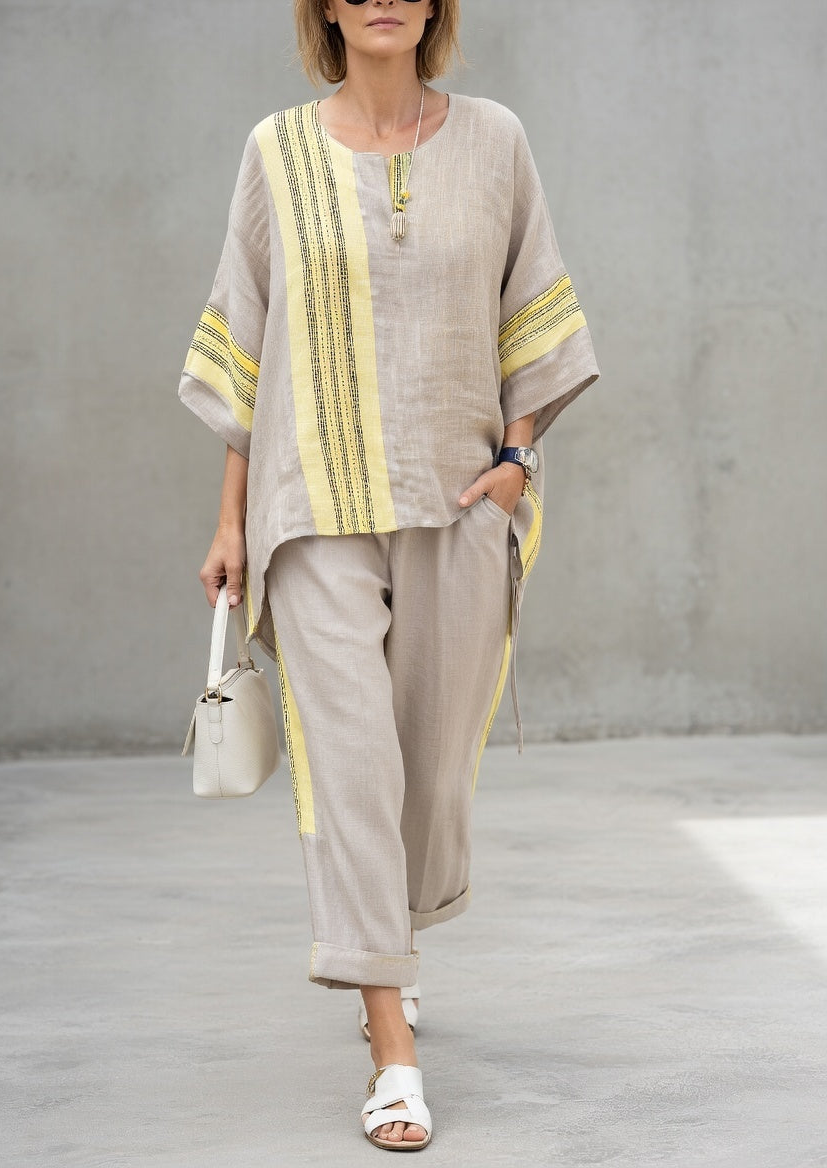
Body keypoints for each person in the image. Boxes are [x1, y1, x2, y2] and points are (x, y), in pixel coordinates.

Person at [178, 0, 599, 1150]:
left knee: (428, 774)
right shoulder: (276, 152)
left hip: (457, 503)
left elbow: (532, 311)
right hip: (311, 507)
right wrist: (230, 519)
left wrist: (516, 461)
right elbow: (247, 344)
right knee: (351, 766)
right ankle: (391, 1045)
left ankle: (392, 945)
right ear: (324, 6)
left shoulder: (495, 141)